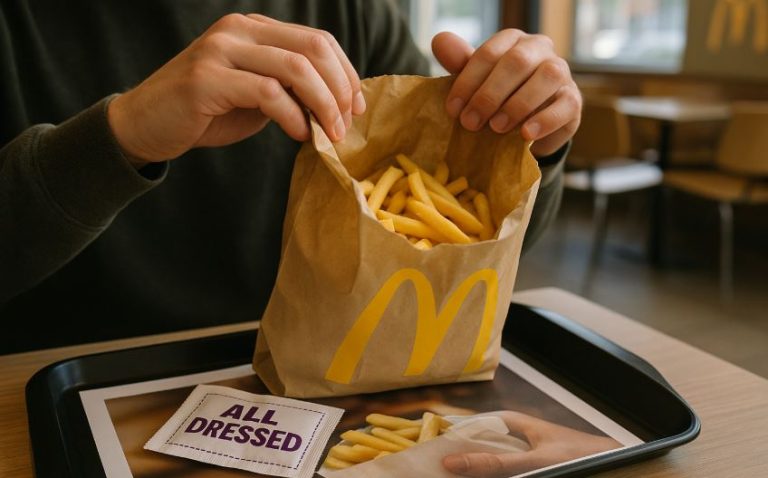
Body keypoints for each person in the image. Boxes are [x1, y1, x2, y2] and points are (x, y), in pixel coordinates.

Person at [0, 1, 581, 353]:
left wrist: (528, 146)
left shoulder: (354, 12)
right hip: (59, 386)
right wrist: (122, 135)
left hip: (335, 375)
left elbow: (468, 254)